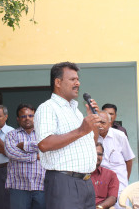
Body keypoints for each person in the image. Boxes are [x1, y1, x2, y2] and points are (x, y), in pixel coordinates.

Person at [34, 61, 101, 209]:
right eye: (72, 79)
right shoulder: (47, 108)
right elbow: (44, 144)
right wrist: (81, 130)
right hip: (64, 183)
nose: (78, 83)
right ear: (58, 82)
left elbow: (91, 142)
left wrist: (93, 123)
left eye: (77, 79)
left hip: (86, 183)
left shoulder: (76, 111)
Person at [4, 103, 46, 209]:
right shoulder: (11, 135)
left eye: (30, 115)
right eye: (23, 116)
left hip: (41, 186)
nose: (27, 118)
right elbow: (12, 153)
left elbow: (48, 147)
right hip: (18, 187)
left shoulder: (44, 134)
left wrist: (25, 146)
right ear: (18, 119)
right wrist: (36, 156)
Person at [97, 111, 135, 209]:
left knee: (121, 205)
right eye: (98, 122)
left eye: (103, 123)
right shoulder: (93, 137)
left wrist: (125, 178)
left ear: (110, 124)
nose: (100, 125)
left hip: (119, 180)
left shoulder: (120, 136)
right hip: (100, 181)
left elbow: (129, 160)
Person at [91, 142, 119, 209]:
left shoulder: (111, 175)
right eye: (94, 153)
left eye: (99, 154)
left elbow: (113, 198)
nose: (97, 156)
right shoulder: (78, 174)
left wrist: (100, 207)